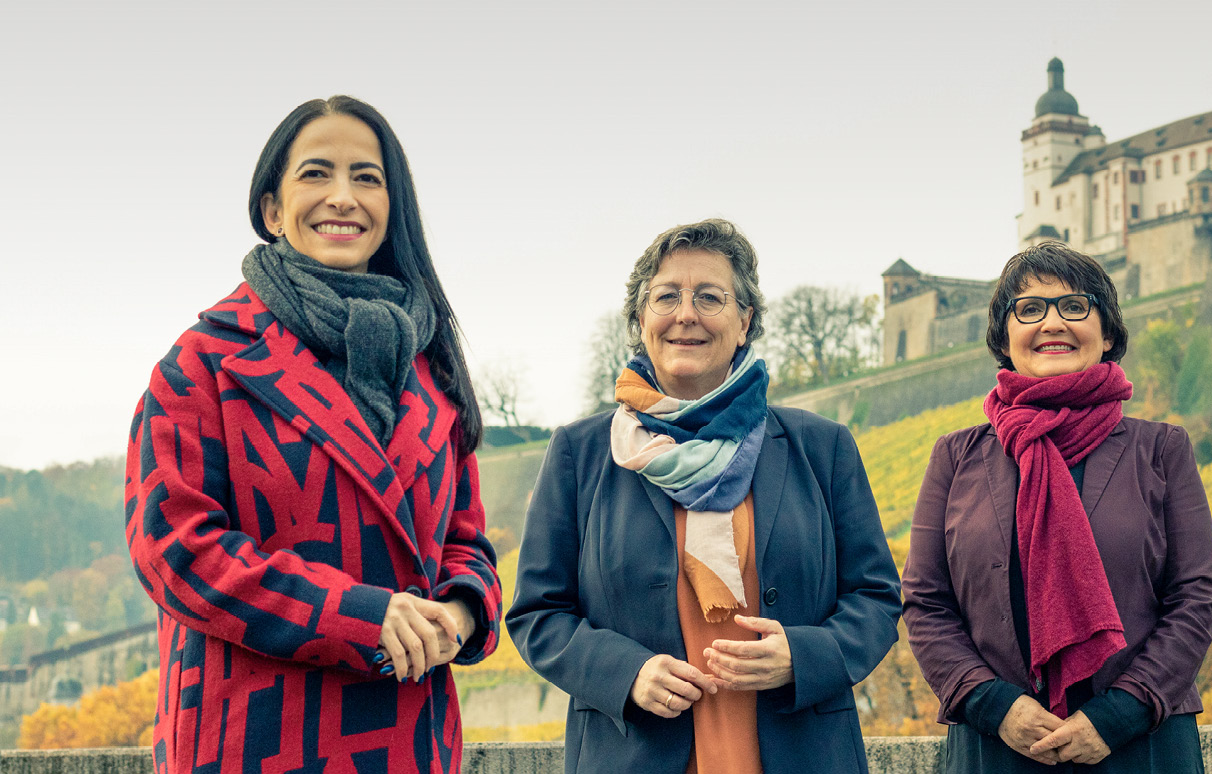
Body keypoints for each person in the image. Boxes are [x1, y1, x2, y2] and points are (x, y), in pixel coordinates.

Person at [125, 95, 501, 774]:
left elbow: (467, 542)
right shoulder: (202, 364)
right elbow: (173, 549)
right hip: (251, 740)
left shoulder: (432, 367)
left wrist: (460, 613)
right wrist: (359, 618)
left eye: (367, 177)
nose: (342, 196)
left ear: (393, 208)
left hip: (409, 740)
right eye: (315, 174)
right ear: (272, 209)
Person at [506, 219, 901, 774]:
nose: (686, 313)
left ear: (744, 323)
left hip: (802, 754)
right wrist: (626, 674)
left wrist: (803, 657)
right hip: (630, 754)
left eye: (709, 297)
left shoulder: (822, 446)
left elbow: (877, 599)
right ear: (641, 321)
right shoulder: (580, 454)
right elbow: (538, 613)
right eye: (667, 296)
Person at [902, 242, 1212, 772]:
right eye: (1029, 310)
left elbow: (1194, 596)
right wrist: (993, 705)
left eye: (1075, 306)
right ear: (1004, 337)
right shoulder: (956, 457)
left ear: (1109, 332)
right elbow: (926, 602)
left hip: (1139, 744)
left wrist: (1119, 714)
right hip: (997, 745)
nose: (1053, 323)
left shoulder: (1161, 449)